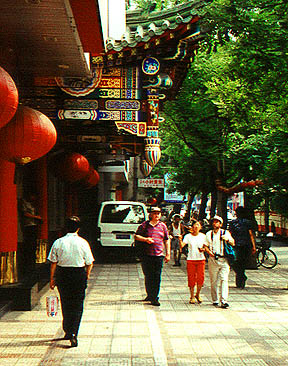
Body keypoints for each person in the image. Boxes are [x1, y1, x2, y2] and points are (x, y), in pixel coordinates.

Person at [47, 216, 94, 347]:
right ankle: (74, 332)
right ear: (78, 228)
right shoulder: (83, 242)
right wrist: (87, 275)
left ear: (66, 228)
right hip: (79, 274)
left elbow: (53, 263)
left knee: (66, 302)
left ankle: (67, 330)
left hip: (63, 274)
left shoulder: (58, 242)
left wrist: (52, 279)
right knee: (78, 305)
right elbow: (90, 262)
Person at [135, 207, 170, 306]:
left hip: (158, 256)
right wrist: (146, 239)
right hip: (146, 255)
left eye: (158, 213)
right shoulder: (144, 225)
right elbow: (136, 236)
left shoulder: (163, 226)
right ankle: (149, 294)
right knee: (148, 276)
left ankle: (155, 297)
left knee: (156, 277)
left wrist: (168, 254)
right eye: (154, 213)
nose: (157, 215)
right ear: (150, 214)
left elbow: (166, 240)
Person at [180, 220, 213, 304]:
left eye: (198, 225)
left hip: (201, 259)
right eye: (195, 225)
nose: (196, 227)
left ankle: (197, 294)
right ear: (192, 227)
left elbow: (206, 247)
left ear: (200, 227)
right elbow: (182, 245)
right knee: (191, 278)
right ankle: (191, 296)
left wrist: (203, 249)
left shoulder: (203, 236)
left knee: (200, 278)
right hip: (191, 259)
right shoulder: (188, 236)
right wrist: (180, 239)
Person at [205, 215, 235, 309]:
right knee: (213, 281)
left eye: (217, 222)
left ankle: (224, 300)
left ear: (220, 224)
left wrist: (228, 239)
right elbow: (205, 246)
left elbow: (233, 243)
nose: (215, 223)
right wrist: (210, 253)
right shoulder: (209, 234)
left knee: (224, 279)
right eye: (214, 222)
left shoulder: (225, 233)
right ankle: (215, 299)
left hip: (224, 259)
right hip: (213, 260)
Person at [229, 206, 257, 289]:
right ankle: (242, 279)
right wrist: (253, 246)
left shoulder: (232, 223)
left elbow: (230, 234)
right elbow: (251, 235)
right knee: (243, 262)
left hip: (236, 245)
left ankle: (240, 280)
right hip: (246, 245)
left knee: (236, 262)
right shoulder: (248, 222)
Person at [20, 193, 42, 277]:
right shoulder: (24, 202)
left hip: (34, 225)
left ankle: (32, 264)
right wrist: (36, 217)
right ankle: (28, 266)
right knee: (29, 245)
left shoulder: (33, 204)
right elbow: (25, 214)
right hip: (28, 225)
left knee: (33, 245)